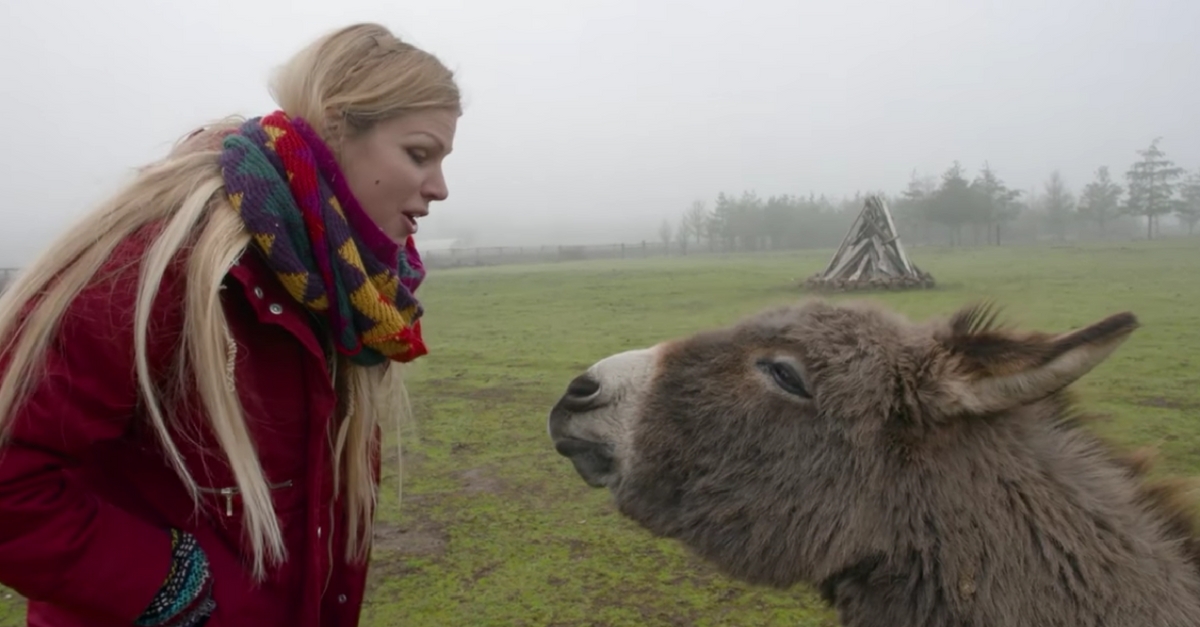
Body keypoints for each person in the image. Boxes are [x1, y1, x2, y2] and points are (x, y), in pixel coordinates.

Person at [0, 22, 459, 627]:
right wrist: (168, 588)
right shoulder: (163, 264)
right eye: (419, 154)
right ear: (336, 128)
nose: (439, 188)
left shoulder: (337, 285)